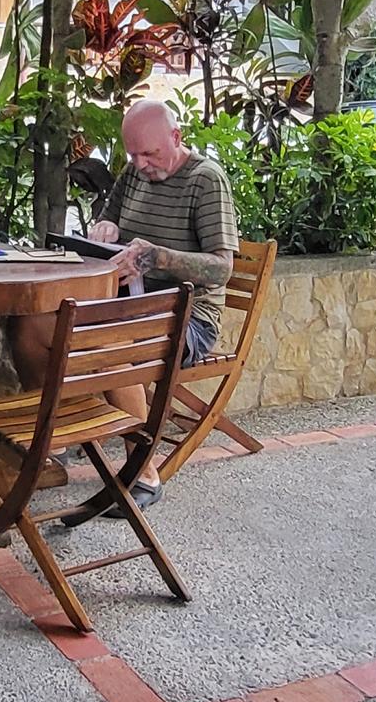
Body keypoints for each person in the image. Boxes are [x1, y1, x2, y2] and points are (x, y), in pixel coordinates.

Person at [12, 99, 236, 513]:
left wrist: (158, 257)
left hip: (186, 319)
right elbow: (109, 218)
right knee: (30, 326)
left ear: (176, 137)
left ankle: (143, 470)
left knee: (110, 344)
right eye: (133, 154)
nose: (140, 163)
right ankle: (54, 442)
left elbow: (222, 268)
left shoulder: (206, 180)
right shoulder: (134, 173)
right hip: (126, 304)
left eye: (149, 154)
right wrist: (105, 226)